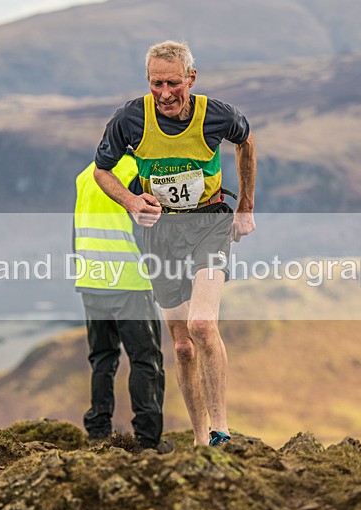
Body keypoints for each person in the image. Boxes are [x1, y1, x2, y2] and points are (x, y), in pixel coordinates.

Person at [93, 40, 257, 446]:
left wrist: (246, 206)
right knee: (182, 347)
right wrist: (132, 201)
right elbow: (102, 171)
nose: (164, 93)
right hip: (159, 234)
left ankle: (221, 432)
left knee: (203, 324)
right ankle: (201, 439)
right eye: (155, 84)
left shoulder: (216, 115)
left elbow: (246, 142)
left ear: (191, 79)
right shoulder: (130, 118)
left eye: (172, 83)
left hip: (208, 224)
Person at [74, 155, 166, 451]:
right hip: (128, 281)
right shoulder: (137, 171)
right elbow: (149, 230)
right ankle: (148, 442)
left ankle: (98, 433)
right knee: (146, 360)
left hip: (90, 279)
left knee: (102, 358)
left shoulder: (86, 174)